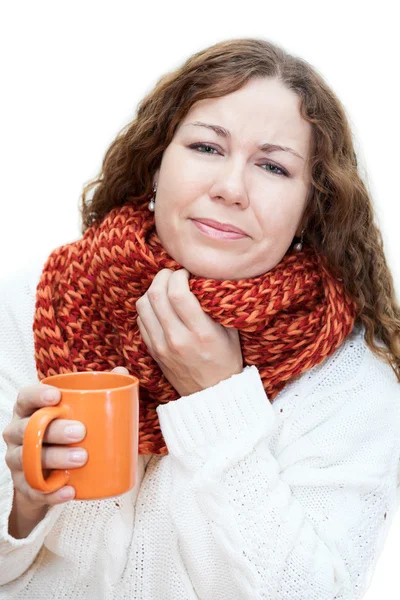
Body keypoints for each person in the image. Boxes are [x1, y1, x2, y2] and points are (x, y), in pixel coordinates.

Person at [1, 36, 399, 600]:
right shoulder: (35, 306)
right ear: (157, 162)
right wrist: (22, 504)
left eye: (272, 166)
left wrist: (217, 399)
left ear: (313, 205)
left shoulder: (350, 378)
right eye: (207, 148)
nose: (230, 188)